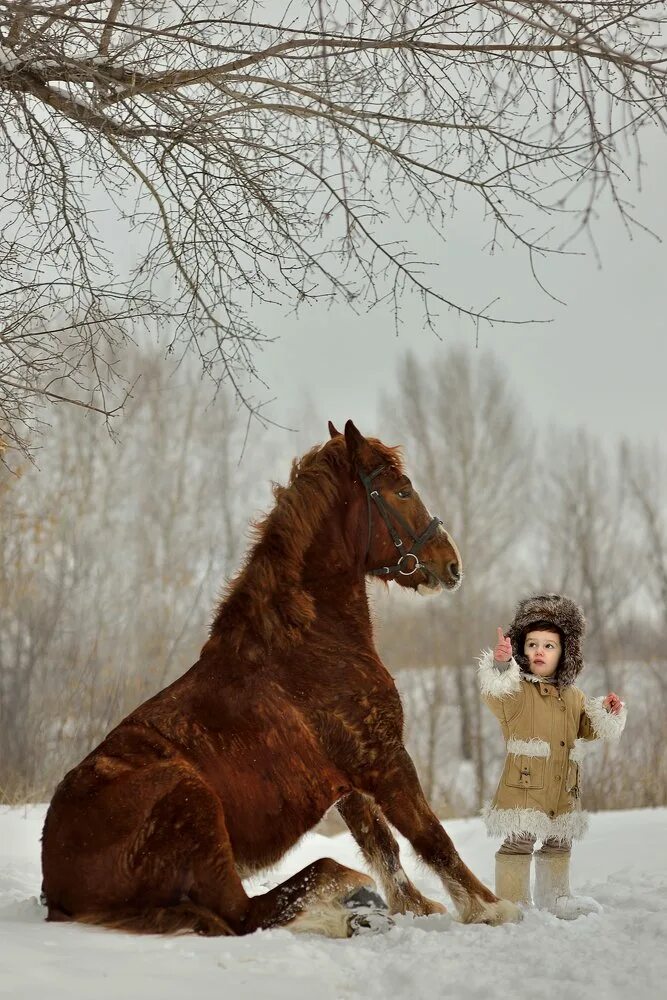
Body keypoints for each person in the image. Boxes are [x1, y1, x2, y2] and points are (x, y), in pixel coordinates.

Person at [477, 594, 626, 919]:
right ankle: (513, 902)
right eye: (532, 645)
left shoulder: (573, 696)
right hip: (525, 784)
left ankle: (556, 897)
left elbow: (590, 727)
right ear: (521, 649)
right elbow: (494, 691)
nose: (539, 652)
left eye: (549, 646)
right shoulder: (516, 692)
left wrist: (607, 712)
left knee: (560, 842)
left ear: (565, 653)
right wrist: (501, 665)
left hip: (562, 786)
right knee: (519, 842)